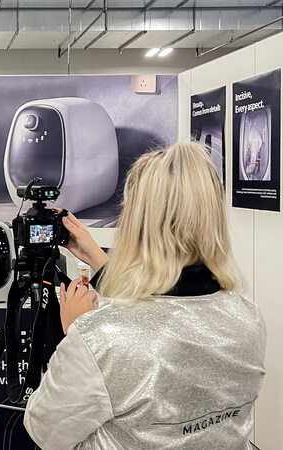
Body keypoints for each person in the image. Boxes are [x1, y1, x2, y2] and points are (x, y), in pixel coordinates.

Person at [24, 141, 266, 449]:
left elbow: (45, 430)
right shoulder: (247, 316)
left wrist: (77, 332)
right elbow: (171, 312)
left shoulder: (101, 338)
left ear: (136, 223)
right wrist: (98, 259)